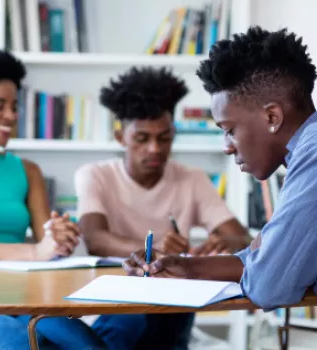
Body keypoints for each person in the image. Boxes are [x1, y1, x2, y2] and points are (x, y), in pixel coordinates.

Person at [123, 26, 317, 347]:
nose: (226, 146)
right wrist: (186, 267)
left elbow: (268, 284)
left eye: (229, 129)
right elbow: (266, 256)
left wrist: (263, 263)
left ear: (272, 116)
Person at [0, 46, 143, 350]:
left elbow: (48, 246)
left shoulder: (27, 170)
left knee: (90, 346)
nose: (11, 115)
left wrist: (59, 238)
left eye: (14, 105)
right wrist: (35, 252)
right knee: (23, 345)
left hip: (19, 298)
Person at [74, 66, 251, 349]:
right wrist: (156, 250)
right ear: (121, 137)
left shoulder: (192, 178)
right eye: (142, 138)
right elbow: (95, 239)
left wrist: (218, 244)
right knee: (130, 324)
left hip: (172, 301)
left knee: (173, 317)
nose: (155, 148)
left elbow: (241, 238)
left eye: (165, 137)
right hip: (116, 301)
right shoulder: (95, 175)